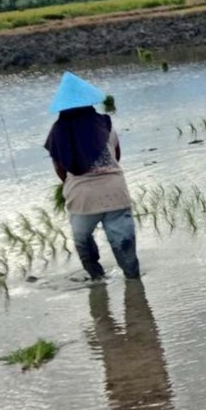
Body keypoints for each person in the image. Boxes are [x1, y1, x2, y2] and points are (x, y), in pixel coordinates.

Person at [45, 71, 140, 281]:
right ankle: (135, 289)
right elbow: (116, 156)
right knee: (126, 248)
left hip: (81, 199)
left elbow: (60, 169)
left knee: (83, 243)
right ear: (88, 102)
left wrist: (74, 183)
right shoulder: (105, 125)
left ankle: (97, 283)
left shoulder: (57, 132)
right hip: (115, 193)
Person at [88, 282, 175, 410]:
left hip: (128, 360)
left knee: (108, 318)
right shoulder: (157, 404)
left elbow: (112, 389)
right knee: (132, 313)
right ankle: (110, 283)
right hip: (140, 357)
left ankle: (107, 285)